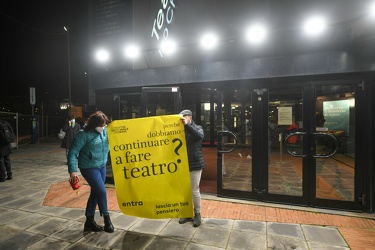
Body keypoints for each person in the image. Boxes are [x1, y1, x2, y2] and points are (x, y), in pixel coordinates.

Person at [67, 111, 114, 233]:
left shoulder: (105, 132)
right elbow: (72, 153)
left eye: (105, 125)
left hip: (101, 166)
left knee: (95, 192)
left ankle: (89, 221)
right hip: (88, 167)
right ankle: (107, 219)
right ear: (94, 124)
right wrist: (73, 171)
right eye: (101, 125)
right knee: (102, 191)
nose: (103, 127)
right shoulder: (83, 135)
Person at [178, 109, 205, 227]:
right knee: (185, 190)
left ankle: (197, 214)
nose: (182, 119)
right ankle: (187, 213)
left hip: (195, 163)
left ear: (190, 118)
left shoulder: (197, 127)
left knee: (194, 190)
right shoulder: (180, 130)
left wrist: (187, 125)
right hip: (183, 164)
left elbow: (199, 135)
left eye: (185, 117)